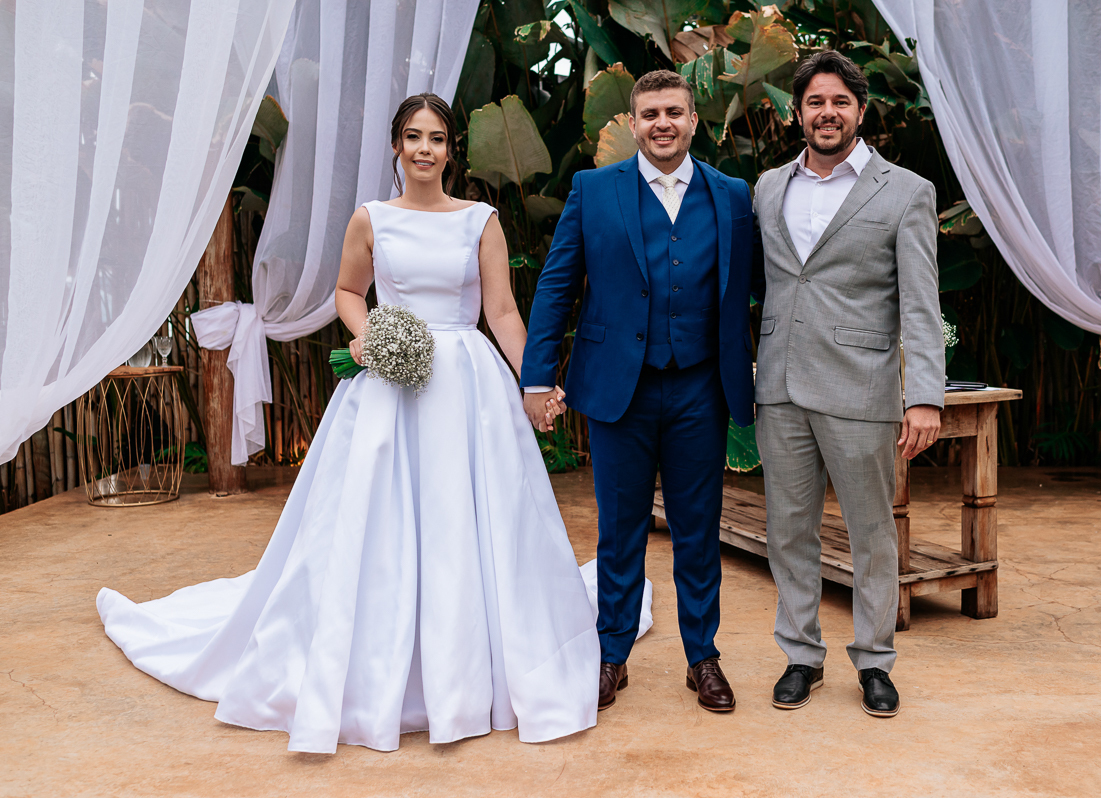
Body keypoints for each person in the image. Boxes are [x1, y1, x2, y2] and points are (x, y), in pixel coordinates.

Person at [96, 93, 603, 753]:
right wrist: (368, 337)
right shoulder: (371, 220)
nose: (426, 149)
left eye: (438, 138)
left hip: (467, 385)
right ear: (397, 146)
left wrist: (533, 380)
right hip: (391, 386)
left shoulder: (481, 220)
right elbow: (346, 292)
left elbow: (503, 311)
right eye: (414, 137)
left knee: (471, 518)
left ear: (452, 150)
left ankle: (472, 662)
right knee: (378, 520)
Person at [521, 70, 757, 713]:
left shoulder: (732, 195)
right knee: (619, 530)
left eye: (674, 112)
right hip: (616, 389)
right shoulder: (594, 191)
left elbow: (756, 287)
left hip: (701, 389)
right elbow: (556, 285)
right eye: (649, 113)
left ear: (692, 121)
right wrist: (537, 376)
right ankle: (611, 655)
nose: (662, 124)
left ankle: (701, 656)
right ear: (632, 123)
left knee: (697, 529)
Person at [752, 51, 944, 718]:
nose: (826, 112)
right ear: (796, 112)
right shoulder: (769, 186)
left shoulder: (906, 191)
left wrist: (922, 394)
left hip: (861, 388)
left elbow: (921, 304)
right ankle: (801, 655)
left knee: (871, 533)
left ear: (860, 111)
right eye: (814, 102)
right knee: (789, 531)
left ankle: (875, 661)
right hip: (779, 386)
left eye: (839, 101)